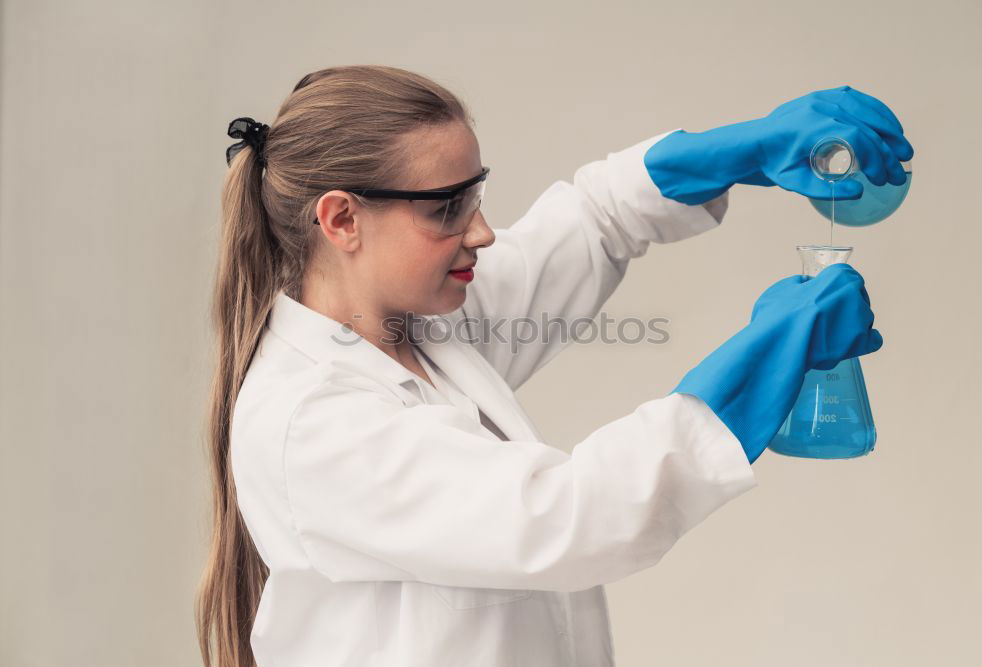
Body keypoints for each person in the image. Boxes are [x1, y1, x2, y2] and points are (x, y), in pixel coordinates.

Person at [195, 65, 911, 667]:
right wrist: (765, 359)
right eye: (446, 208)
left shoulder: (422, 328)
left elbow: (595, 222)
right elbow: (570, 516)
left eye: (475, 194)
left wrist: (737, 153)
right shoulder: (313, 421)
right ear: (342, 219)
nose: (480, 230)